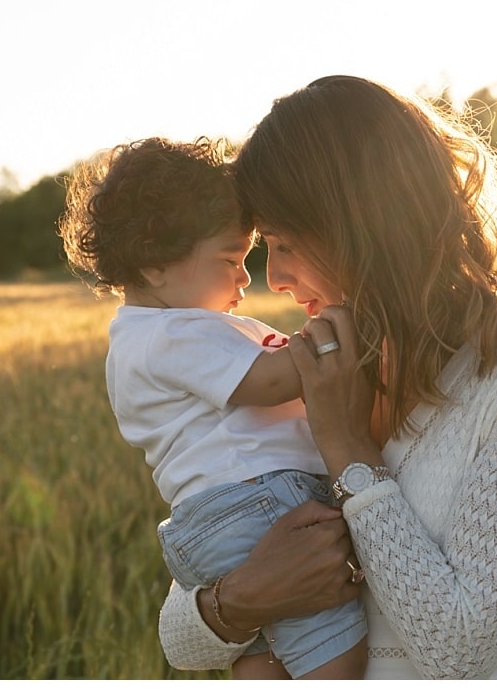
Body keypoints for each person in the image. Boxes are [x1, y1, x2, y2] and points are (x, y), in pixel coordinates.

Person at [156, 75, 497, 680]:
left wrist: (346, 449)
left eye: (285, 243)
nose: (274, 279)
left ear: (357, 225)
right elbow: (178, 639)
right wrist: (242, 598)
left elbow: (459, 652)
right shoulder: (309, 367)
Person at [57, 137, 368, 680]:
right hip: (260, 502)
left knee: (264, 655)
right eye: (230, 260)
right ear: (155, 264)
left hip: (216, 524)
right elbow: (273, 380)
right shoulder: (174, 332)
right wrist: (348, 328)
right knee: (334, 648)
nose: (247, 277)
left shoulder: (150, 336)